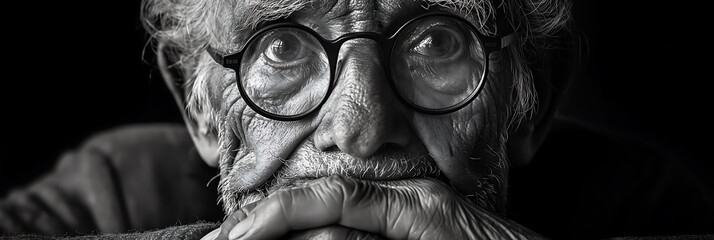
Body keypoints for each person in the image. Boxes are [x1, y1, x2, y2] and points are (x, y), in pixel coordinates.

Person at [1, 0, 712, 239]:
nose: (362, 124)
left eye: (437, 42)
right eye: (280, 45)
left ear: (530, 103)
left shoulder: (637, 199)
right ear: (200, 99)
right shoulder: (118, 190)